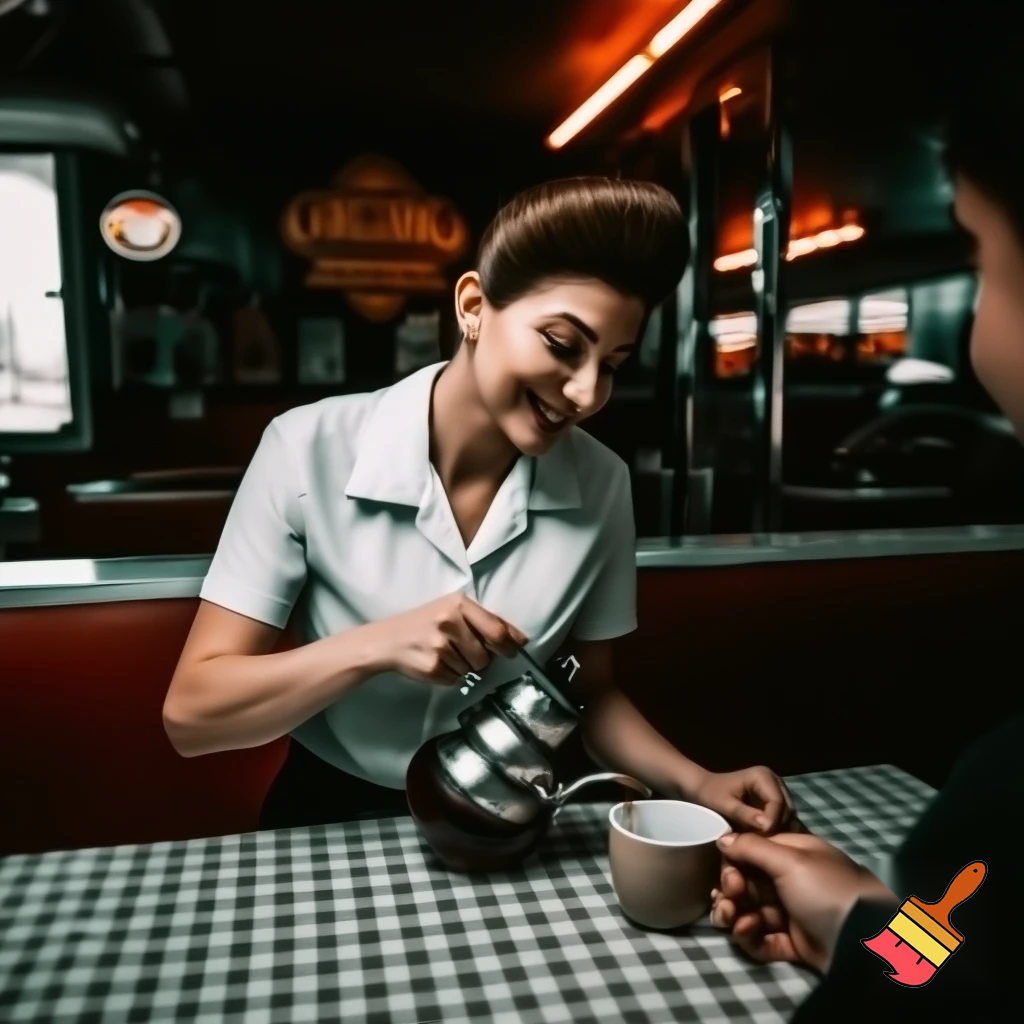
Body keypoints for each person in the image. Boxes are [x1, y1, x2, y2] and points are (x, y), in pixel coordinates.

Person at [163, 177, 798, 833]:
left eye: (613, 364)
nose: (585, 392)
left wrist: (699, 783)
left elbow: (587, 685)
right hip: (333, 811)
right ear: (473, 306)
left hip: (513, 813)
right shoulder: (305, 448)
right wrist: (374, 646)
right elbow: (193, 715)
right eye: (561, 344)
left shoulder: (603, 481)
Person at [709, 8, 1023, 1019]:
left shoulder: (1001, 799)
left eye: (982, 262)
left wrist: (877, 942)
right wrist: (860, 921)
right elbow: (965, 963)